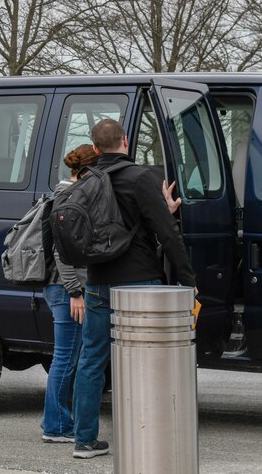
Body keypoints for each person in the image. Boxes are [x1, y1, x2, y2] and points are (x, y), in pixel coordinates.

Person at [71, 118, 197, 459]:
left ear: (95, 149)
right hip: (141, 282)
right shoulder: (141, 178)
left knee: (92, 360)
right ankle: (148, 434)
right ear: (125, 142)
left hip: (97, 281)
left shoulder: (87, 180)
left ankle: (84, 440)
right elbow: (167, 233)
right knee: (149, 360)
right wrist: (187, 280)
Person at [41, 144, 96, 443]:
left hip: (62, 287)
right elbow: (62, 251)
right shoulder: (69, 197)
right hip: (66, 289)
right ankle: (57, 426)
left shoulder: (65, 193)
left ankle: (56, 421)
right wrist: (75, 291)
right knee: (65, 358)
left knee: (67, 356)